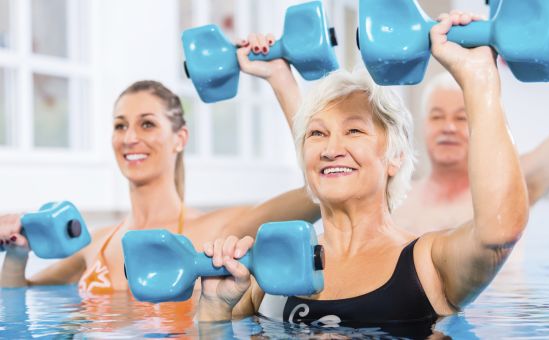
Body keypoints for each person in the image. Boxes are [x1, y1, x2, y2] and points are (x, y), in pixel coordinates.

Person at [193, 12, 529, 338]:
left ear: (394, 157)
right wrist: (214, 308)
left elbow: (498, 231)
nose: (330, 149)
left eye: (354, 131)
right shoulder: (267, 272)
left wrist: (478, 79)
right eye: (317, 135)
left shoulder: (428, 262)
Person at [0, 34, 320, 293]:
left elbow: (319, 191)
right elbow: (23, 295)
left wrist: (280, 78)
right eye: (120, 125)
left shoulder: (219, 230)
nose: (130, 138)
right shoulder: (96, 242)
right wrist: (16, 254)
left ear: (180, 138)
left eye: (147, 124)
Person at [393, 10, 549, 233]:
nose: (448, 127)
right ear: (423, 124)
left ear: (481, 122)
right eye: (437, 116)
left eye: (461, 117)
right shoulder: (397, 199)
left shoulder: (510, 185)